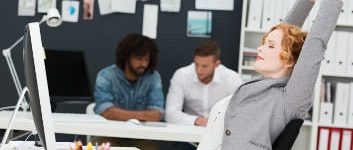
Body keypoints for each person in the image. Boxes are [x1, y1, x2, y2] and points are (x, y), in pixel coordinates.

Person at [197, 0, 342, 149]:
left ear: (290, 60)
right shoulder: (263, 86)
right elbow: (285, 31)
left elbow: (315, 43)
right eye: (264, 43)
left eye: (270, 46)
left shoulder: (290, 99)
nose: (259, 48)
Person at [93, 33, 164, 149]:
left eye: (147, 59)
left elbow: (157, 114)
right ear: (126, 57)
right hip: (109, 135)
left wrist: (118, 114)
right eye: (139, 58)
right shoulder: (106, 75)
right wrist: (144, 115)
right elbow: (106, 112)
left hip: (141, 137)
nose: (144, 64)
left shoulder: (153, 77)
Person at [165, 39, 242, 126]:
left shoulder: (232, 78)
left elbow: (239, 112)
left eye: (204, 66)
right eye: (196, 64)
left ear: (216, 64)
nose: (199, 70)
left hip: (221, 131)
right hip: (190, 131)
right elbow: (170, 114)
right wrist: (199, 121)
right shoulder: (181, 75)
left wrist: (216, 123)